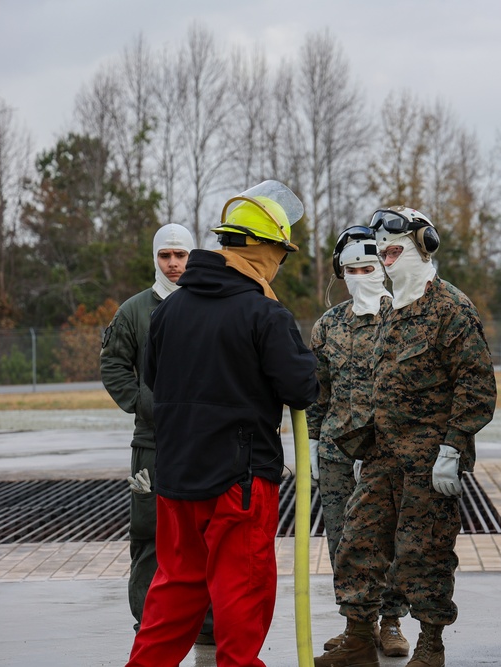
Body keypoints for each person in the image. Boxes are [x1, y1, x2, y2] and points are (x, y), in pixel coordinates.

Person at [126, 180, 320, 667]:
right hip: (240, 481)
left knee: (174, 589)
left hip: (176, 477)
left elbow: (152, 377)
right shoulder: (263, 313)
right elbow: (301, 388)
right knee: (242, 591)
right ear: (259, 248)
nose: (281, 262)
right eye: (280, 252)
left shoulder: (170, 310)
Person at [317, 206, 497, 667]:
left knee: (424, 554)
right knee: (357, 541)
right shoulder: (389, 308)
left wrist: (453, 448)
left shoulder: (450, 309)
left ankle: (430, 644)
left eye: (395, 247)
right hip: (382, 454)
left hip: (429, 460)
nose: (387, 257)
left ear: (423, 246)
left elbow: (477, 386)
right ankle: (358, 638)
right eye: (382, 250)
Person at [101, 223, 217, 643]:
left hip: (203, 443)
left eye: (181, 255)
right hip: (153, 445)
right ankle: (149, 620)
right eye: (166, 256)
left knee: (203, 532)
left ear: (192, 256)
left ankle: (205, 625)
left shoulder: (210, 303)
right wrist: (144, 404)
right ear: (156, 258)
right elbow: (113, 364)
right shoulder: (134, 311)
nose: (173, 264)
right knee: (149, 533)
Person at [307, 225, 410, 657]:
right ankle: (357, 626)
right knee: (341, 540)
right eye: (351, 270)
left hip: (385, 453)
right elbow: (318, 391)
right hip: (335, 450)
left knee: (388, 539)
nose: (360, 276)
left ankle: (390, 622)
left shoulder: (403, 315)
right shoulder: (328, 326)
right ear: (340, 273)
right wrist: (312, 443)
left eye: (369, 267)